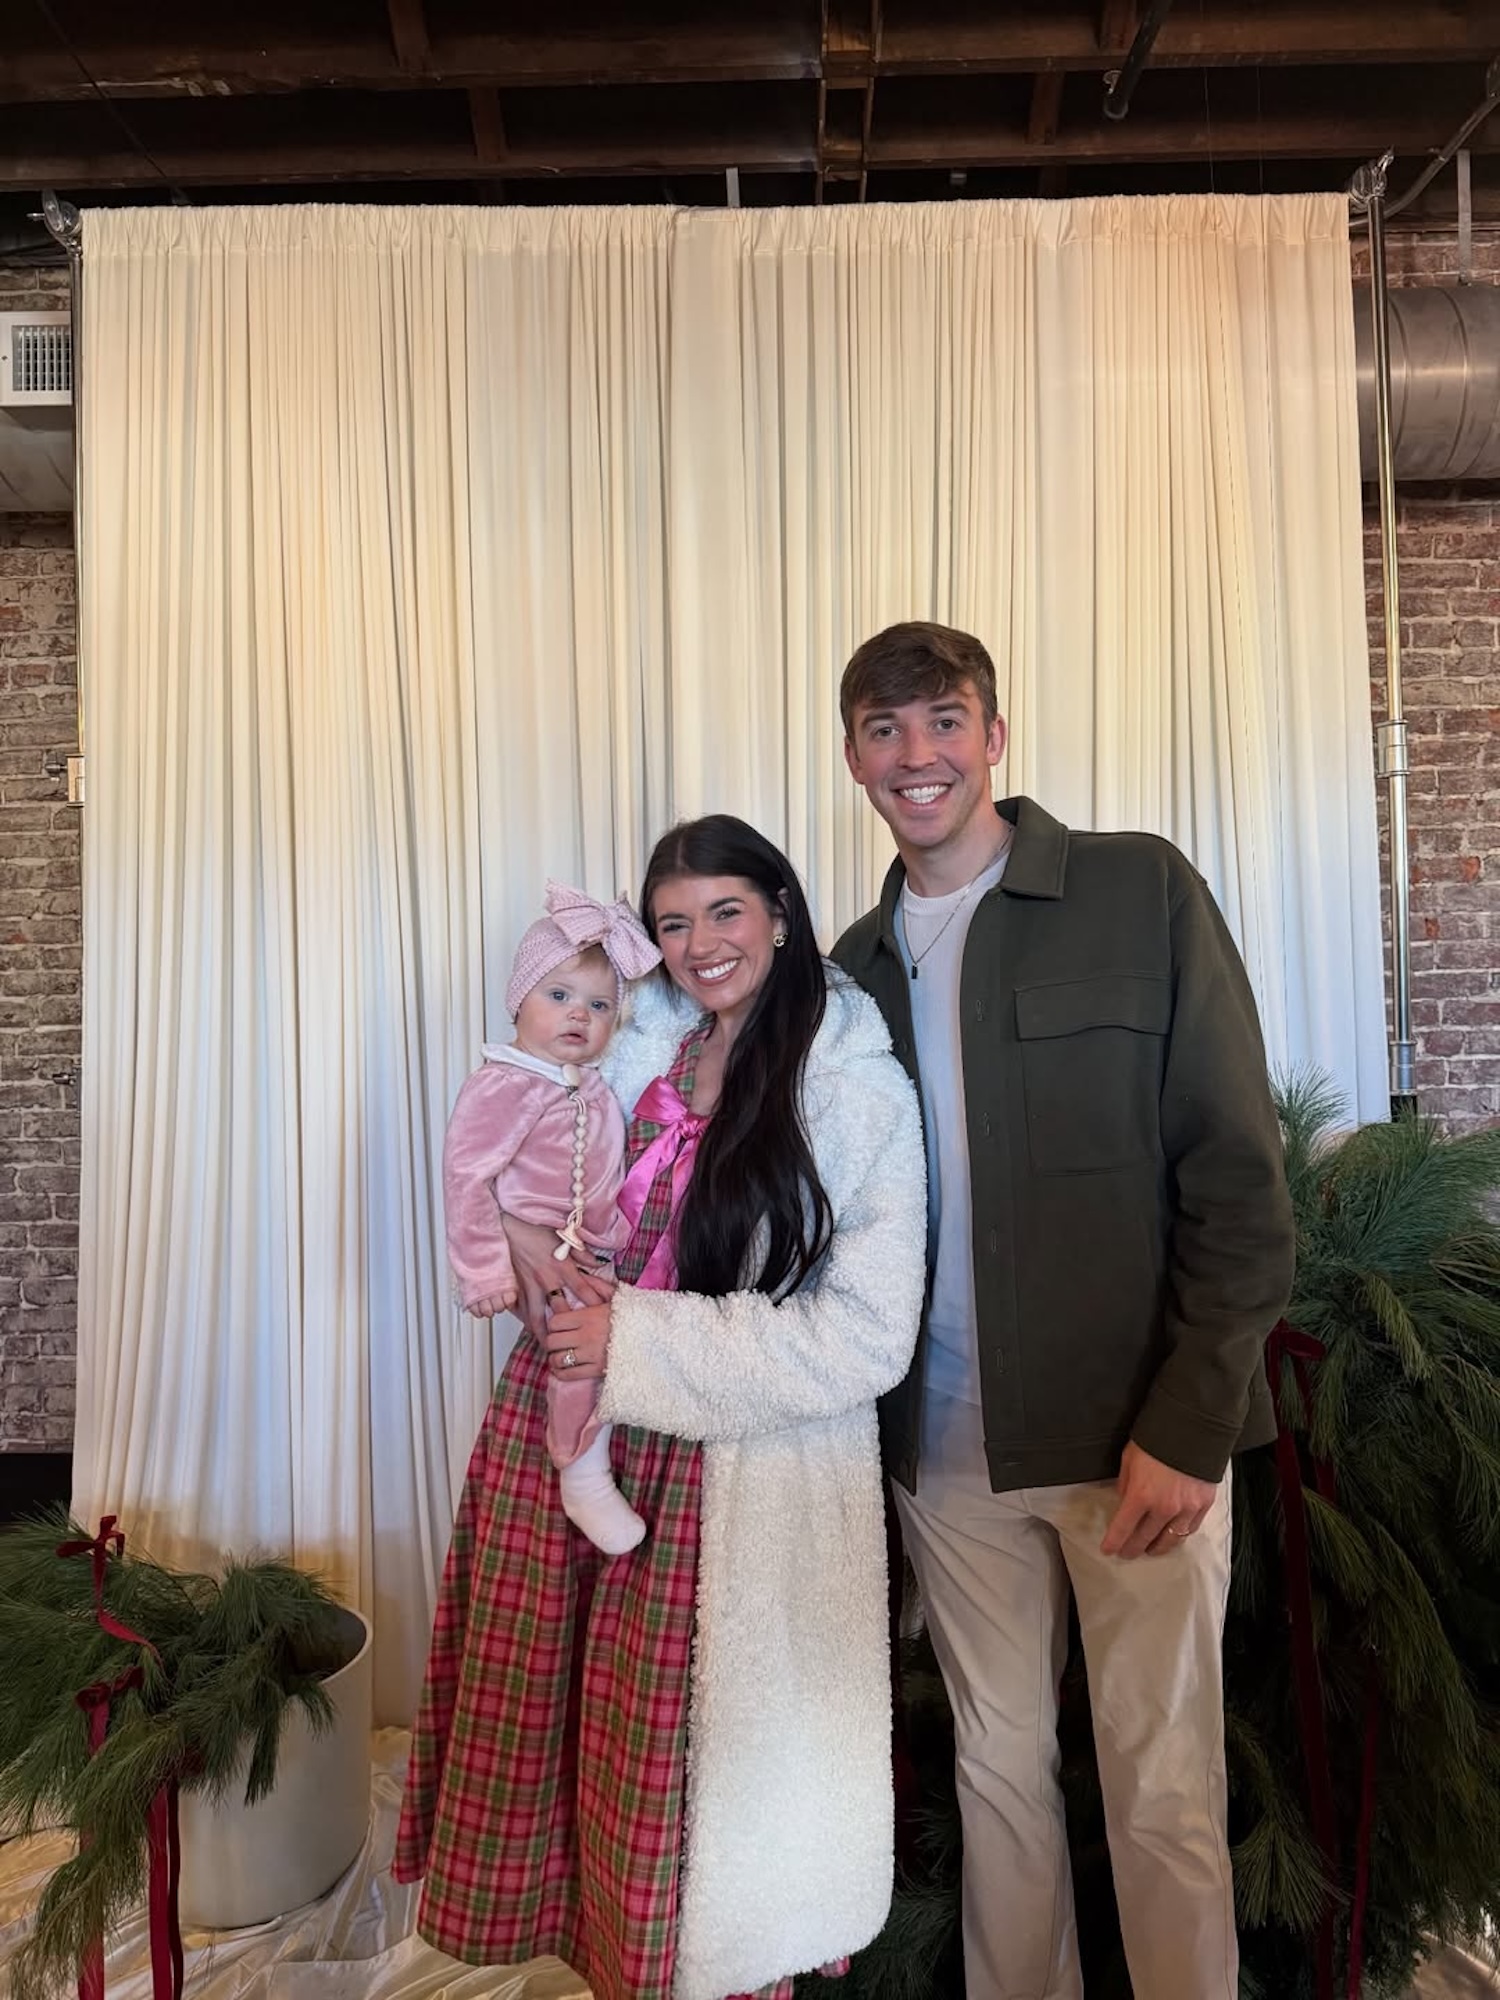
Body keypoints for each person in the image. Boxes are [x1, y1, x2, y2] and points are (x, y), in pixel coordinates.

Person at [831, 620, 1296, 2000]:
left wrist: (1194, 1423)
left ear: (994, 734)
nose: (918, 754)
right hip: (945, 1456)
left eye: (944, 720)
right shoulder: (853, 968)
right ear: (853, 757)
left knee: (1164, 1786)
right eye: (884, 728)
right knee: (998, 1779)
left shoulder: (1138, 889)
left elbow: (1238, 1174)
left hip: (1134, 1443)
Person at [395, 815, 927, 2000]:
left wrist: (635, 1338)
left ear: (780, 911)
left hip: (728, 1474)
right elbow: (523, 1178)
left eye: (725, 910)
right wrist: (521, 1248)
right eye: (673, 922)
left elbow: (868, 1333)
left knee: (700, 1801)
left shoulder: (854, 1089)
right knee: (579, 1758)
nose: (700, 943)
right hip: (576, 1432)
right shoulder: (633, 1046)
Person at [441, 881, 662, 1555]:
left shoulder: (583, 1082)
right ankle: (581, 1472)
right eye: (558, 996)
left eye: (598, 1006)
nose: (578, 1016)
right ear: (520, 1000)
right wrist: (485, 1273)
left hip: (588, 1249)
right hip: (541, 1259)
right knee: (576, 1349)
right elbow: (466, 1178)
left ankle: (594, 1452)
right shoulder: (504, 1083)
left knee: (616, 1338)